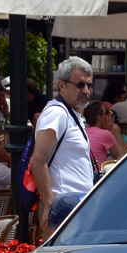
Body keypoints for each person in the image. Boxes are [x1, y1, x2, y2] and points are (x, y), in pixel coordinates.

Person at [32, 56, 96, 236]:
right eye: (80, 84)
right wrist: (50, 206)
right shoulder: (56, 113)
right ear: (61, 85)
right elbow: (37, 160)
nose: (86, 90)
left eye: (89, 85)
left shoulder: (72, 113)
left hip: (77, 206)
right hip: (62, 208)